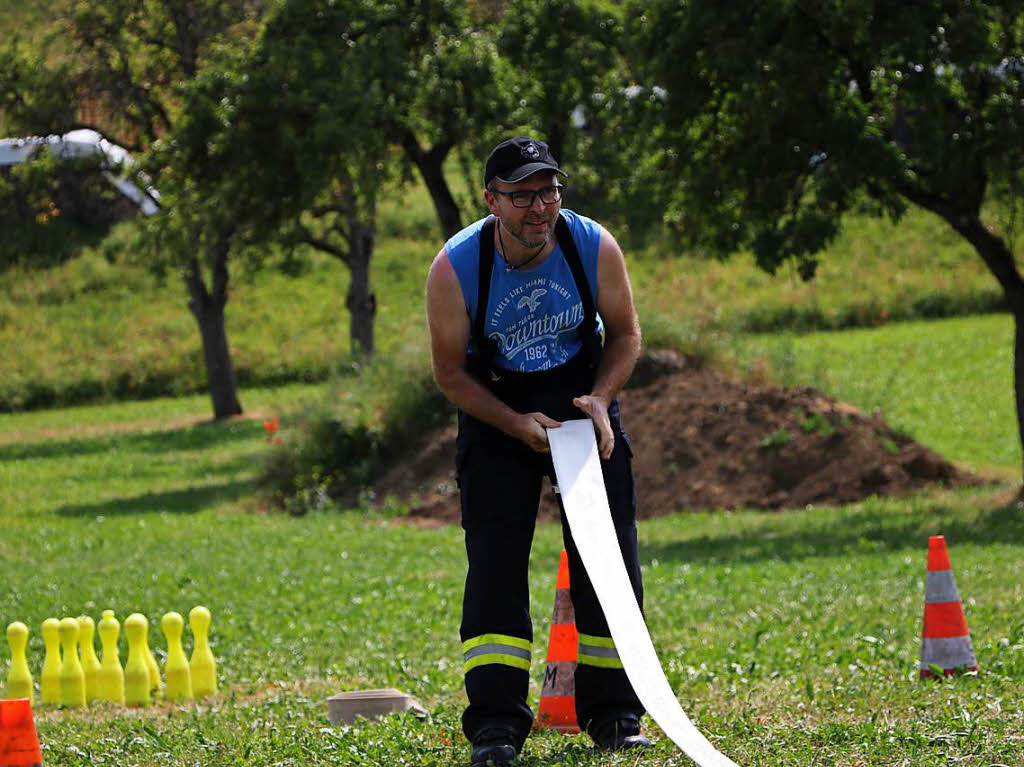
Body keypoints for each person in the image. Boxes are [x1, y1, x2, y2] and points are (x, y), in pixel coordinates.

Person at [425, 136, 648, 767]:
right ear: (491, 200)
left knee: (607, 561)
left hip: (582, 404)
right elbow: (449, 372)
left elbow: (626, 333)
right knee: (495, 567)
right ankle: (495, 727)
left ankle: (614, 716)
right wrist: (512, 422)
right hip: (498, 409)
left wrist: (602, 401)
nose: (538, 208)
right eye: (521, 195)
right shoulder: (455, 268)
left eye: (548, 191)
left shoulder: (592, 244)